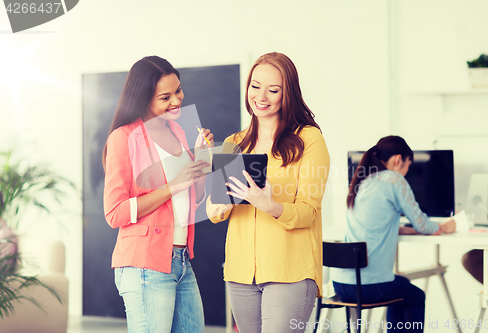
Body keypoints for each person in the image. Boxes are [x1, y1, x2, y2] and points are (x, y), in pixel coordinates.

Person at [206, 52, 330, 333]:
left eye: (273, 90)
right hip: (240, 273)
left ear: (289, 94)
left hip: (290, 272)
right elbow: (217, 211)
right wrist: (214, 205)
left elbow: (309, 212)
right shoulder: (233, 143)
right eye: (255, 86)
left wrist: (270, 204)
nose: (261, 96)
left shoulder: (309, 139)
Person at [102, 55, 213, 333]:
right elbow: (115, 213)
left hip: (182, 261)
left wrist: (200, 157)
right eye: (165, 97)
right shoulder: (123, 137)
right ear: (143, 98)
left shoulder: (178, 131)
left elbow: (193, 198)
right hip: (144, 265)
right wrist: (172, 186)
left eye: (178, 90)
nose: (176, 101)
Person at [331, 135, 456, 333]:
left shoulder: (362, 181)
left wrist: (409, 230)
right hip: (369, 286)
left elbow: (375, 224)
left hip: (340, 284)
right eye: (408, 166)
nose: (406, 172)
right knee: (416, 297)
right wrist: (444, 227)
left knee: (402, 286)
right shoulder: (393, 178)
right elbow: (423, 224)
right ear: (398, 160)